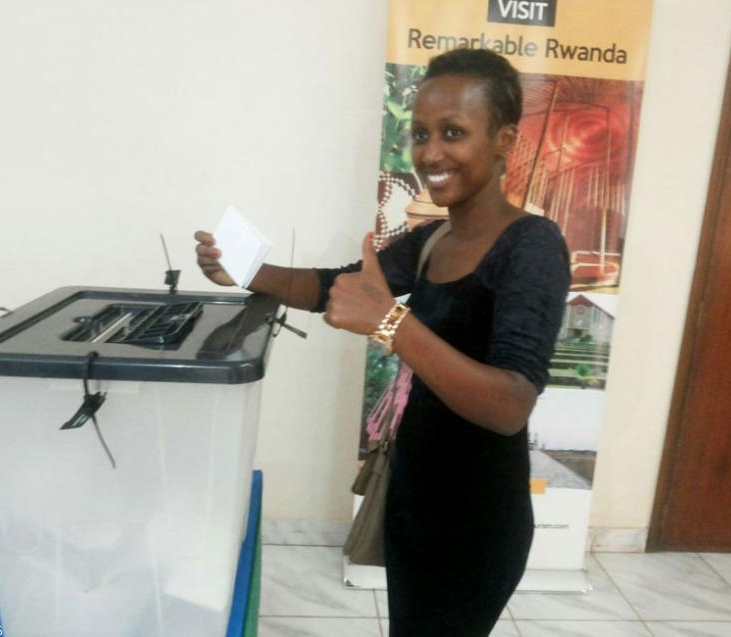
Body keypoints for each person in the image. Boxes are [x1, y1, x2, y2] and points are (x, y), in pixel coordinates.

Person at [196, 47, 570, 636]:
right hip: (412, 500)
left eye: (453, 132)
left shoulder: (533, 247)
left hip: (476, 521)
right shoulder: (431, 241)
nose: (430, 152)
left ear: (503, 142)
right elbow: (335, 286)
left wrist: (390, 324)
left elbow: (509, 404)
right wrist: (244, 271)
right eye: (421, 133)